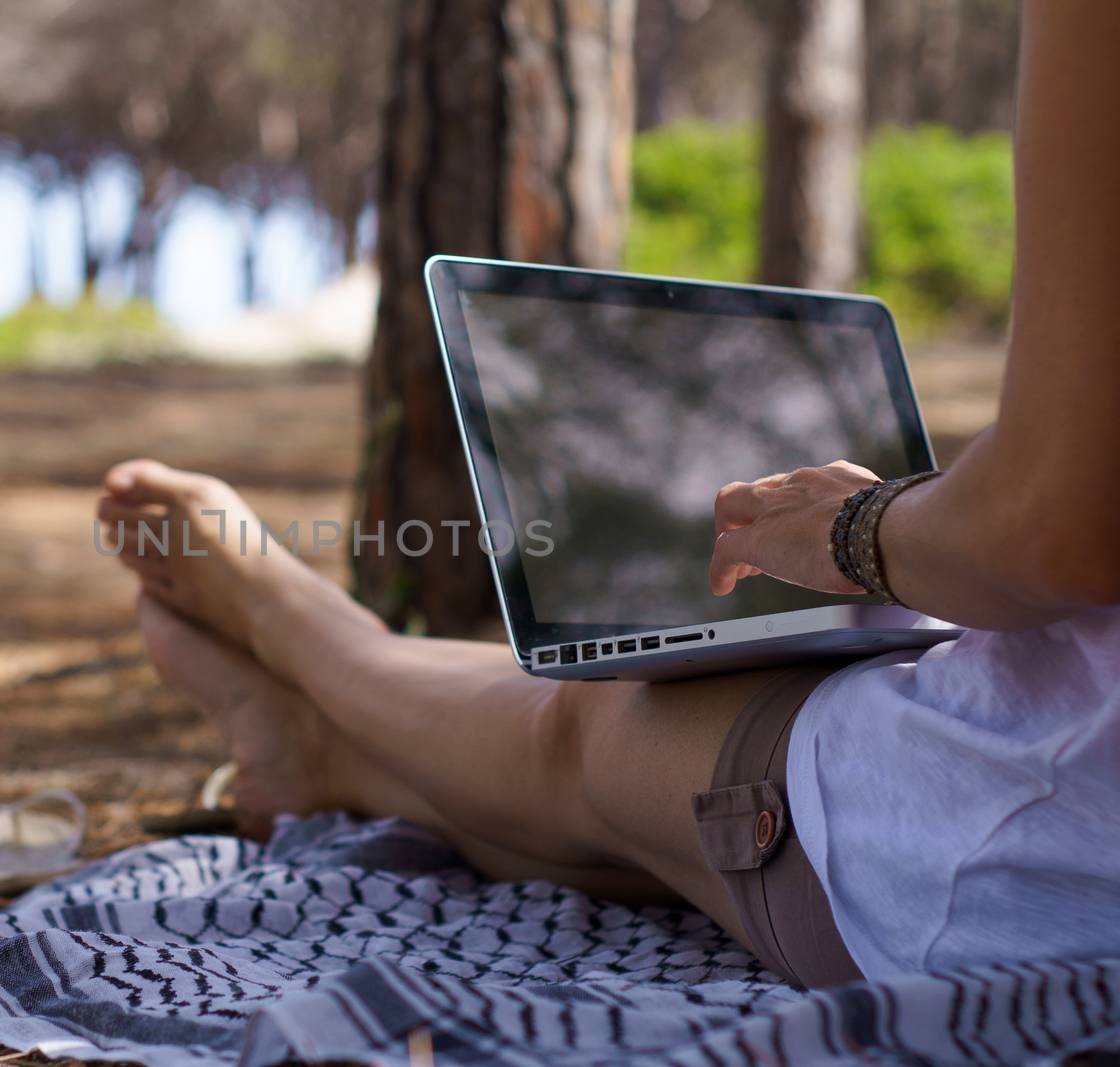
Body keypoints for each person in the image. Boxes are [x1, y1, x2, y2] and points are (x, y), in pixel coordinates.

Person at [94, 1, 1120, 988]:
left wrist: (860, 527)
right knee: (657, 820)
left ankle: (302, 629)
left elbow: (1053, 522)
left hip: (1047, 855)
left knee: (593, 731)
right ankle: (321, 758)